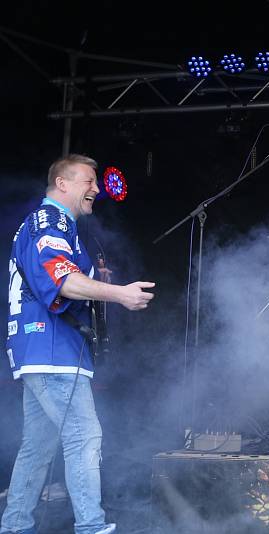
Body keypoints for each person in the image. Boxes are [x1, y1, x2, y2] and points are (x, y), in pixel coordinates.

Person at [3, 154, 155, 534]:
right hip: (52, 351)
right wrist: (118, 293)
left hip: (37, 350)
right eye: (89, 180)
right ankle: (91, 527)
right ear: (63, 183)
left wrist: (99, 285)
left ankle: (15, 525)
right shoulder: (51, 220)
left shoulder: (46, 224)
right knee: (84, 436)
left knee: (37, 447)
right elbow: (63, 282)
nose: (97, 189)